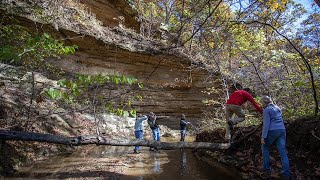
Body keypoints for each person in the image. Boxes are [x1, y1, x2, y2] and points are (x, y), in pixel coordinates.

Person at [260, 96, 290, 179]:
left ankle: (266, 169)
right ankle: (286, 174)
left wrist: (263, 137)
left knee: (264, 147)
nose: (262, 104)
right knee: (283, 153)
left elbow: (266, 125)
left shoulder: (266, 110)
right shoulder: (277, 108)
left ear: (264, 102)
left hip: (272, 131)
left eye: (262, 103)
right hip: (282, 130)